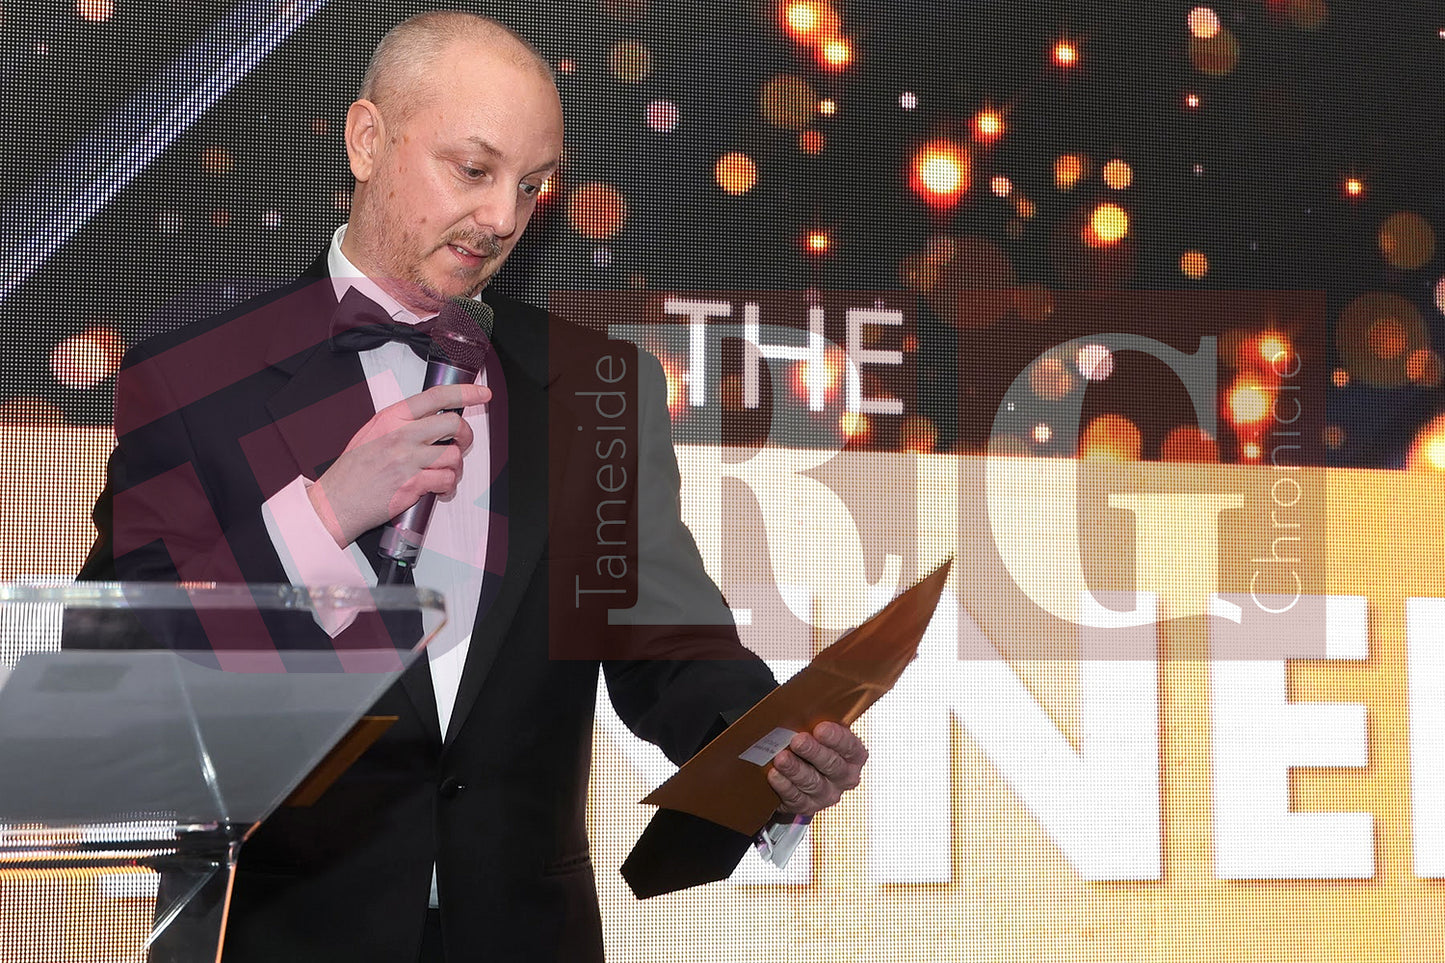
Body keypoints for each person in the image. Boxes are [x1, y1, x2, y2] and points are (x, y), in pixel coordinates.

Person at [75, 11, 867, 963]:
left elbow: (662, 643)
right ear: (367, 139)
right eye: (473, 169)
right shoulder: (194, 377)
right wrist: (322, 516)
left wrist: (769, 750)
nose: (501, 218)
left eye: (530, 186)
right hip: (272, 936)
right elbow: (111, 671)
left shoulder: (597, 386)